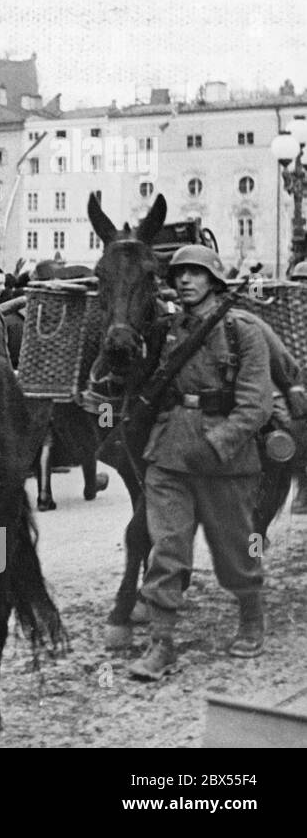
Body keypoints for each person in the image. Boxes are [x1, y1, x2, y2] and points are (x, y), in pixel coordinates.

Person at [128, 245, 274, 681]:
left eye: (195, 273)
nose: (185, 281)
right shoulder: (168, 329)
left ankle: (251, 614)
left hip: (225, 460)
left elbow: (257, 406)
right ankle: (162, 642)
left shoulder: (243, 329)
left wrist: (217, 443)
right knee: (167, 548)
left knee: (239, 547)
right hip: (170, 453)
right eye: (179, 275)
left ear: (214, 279)